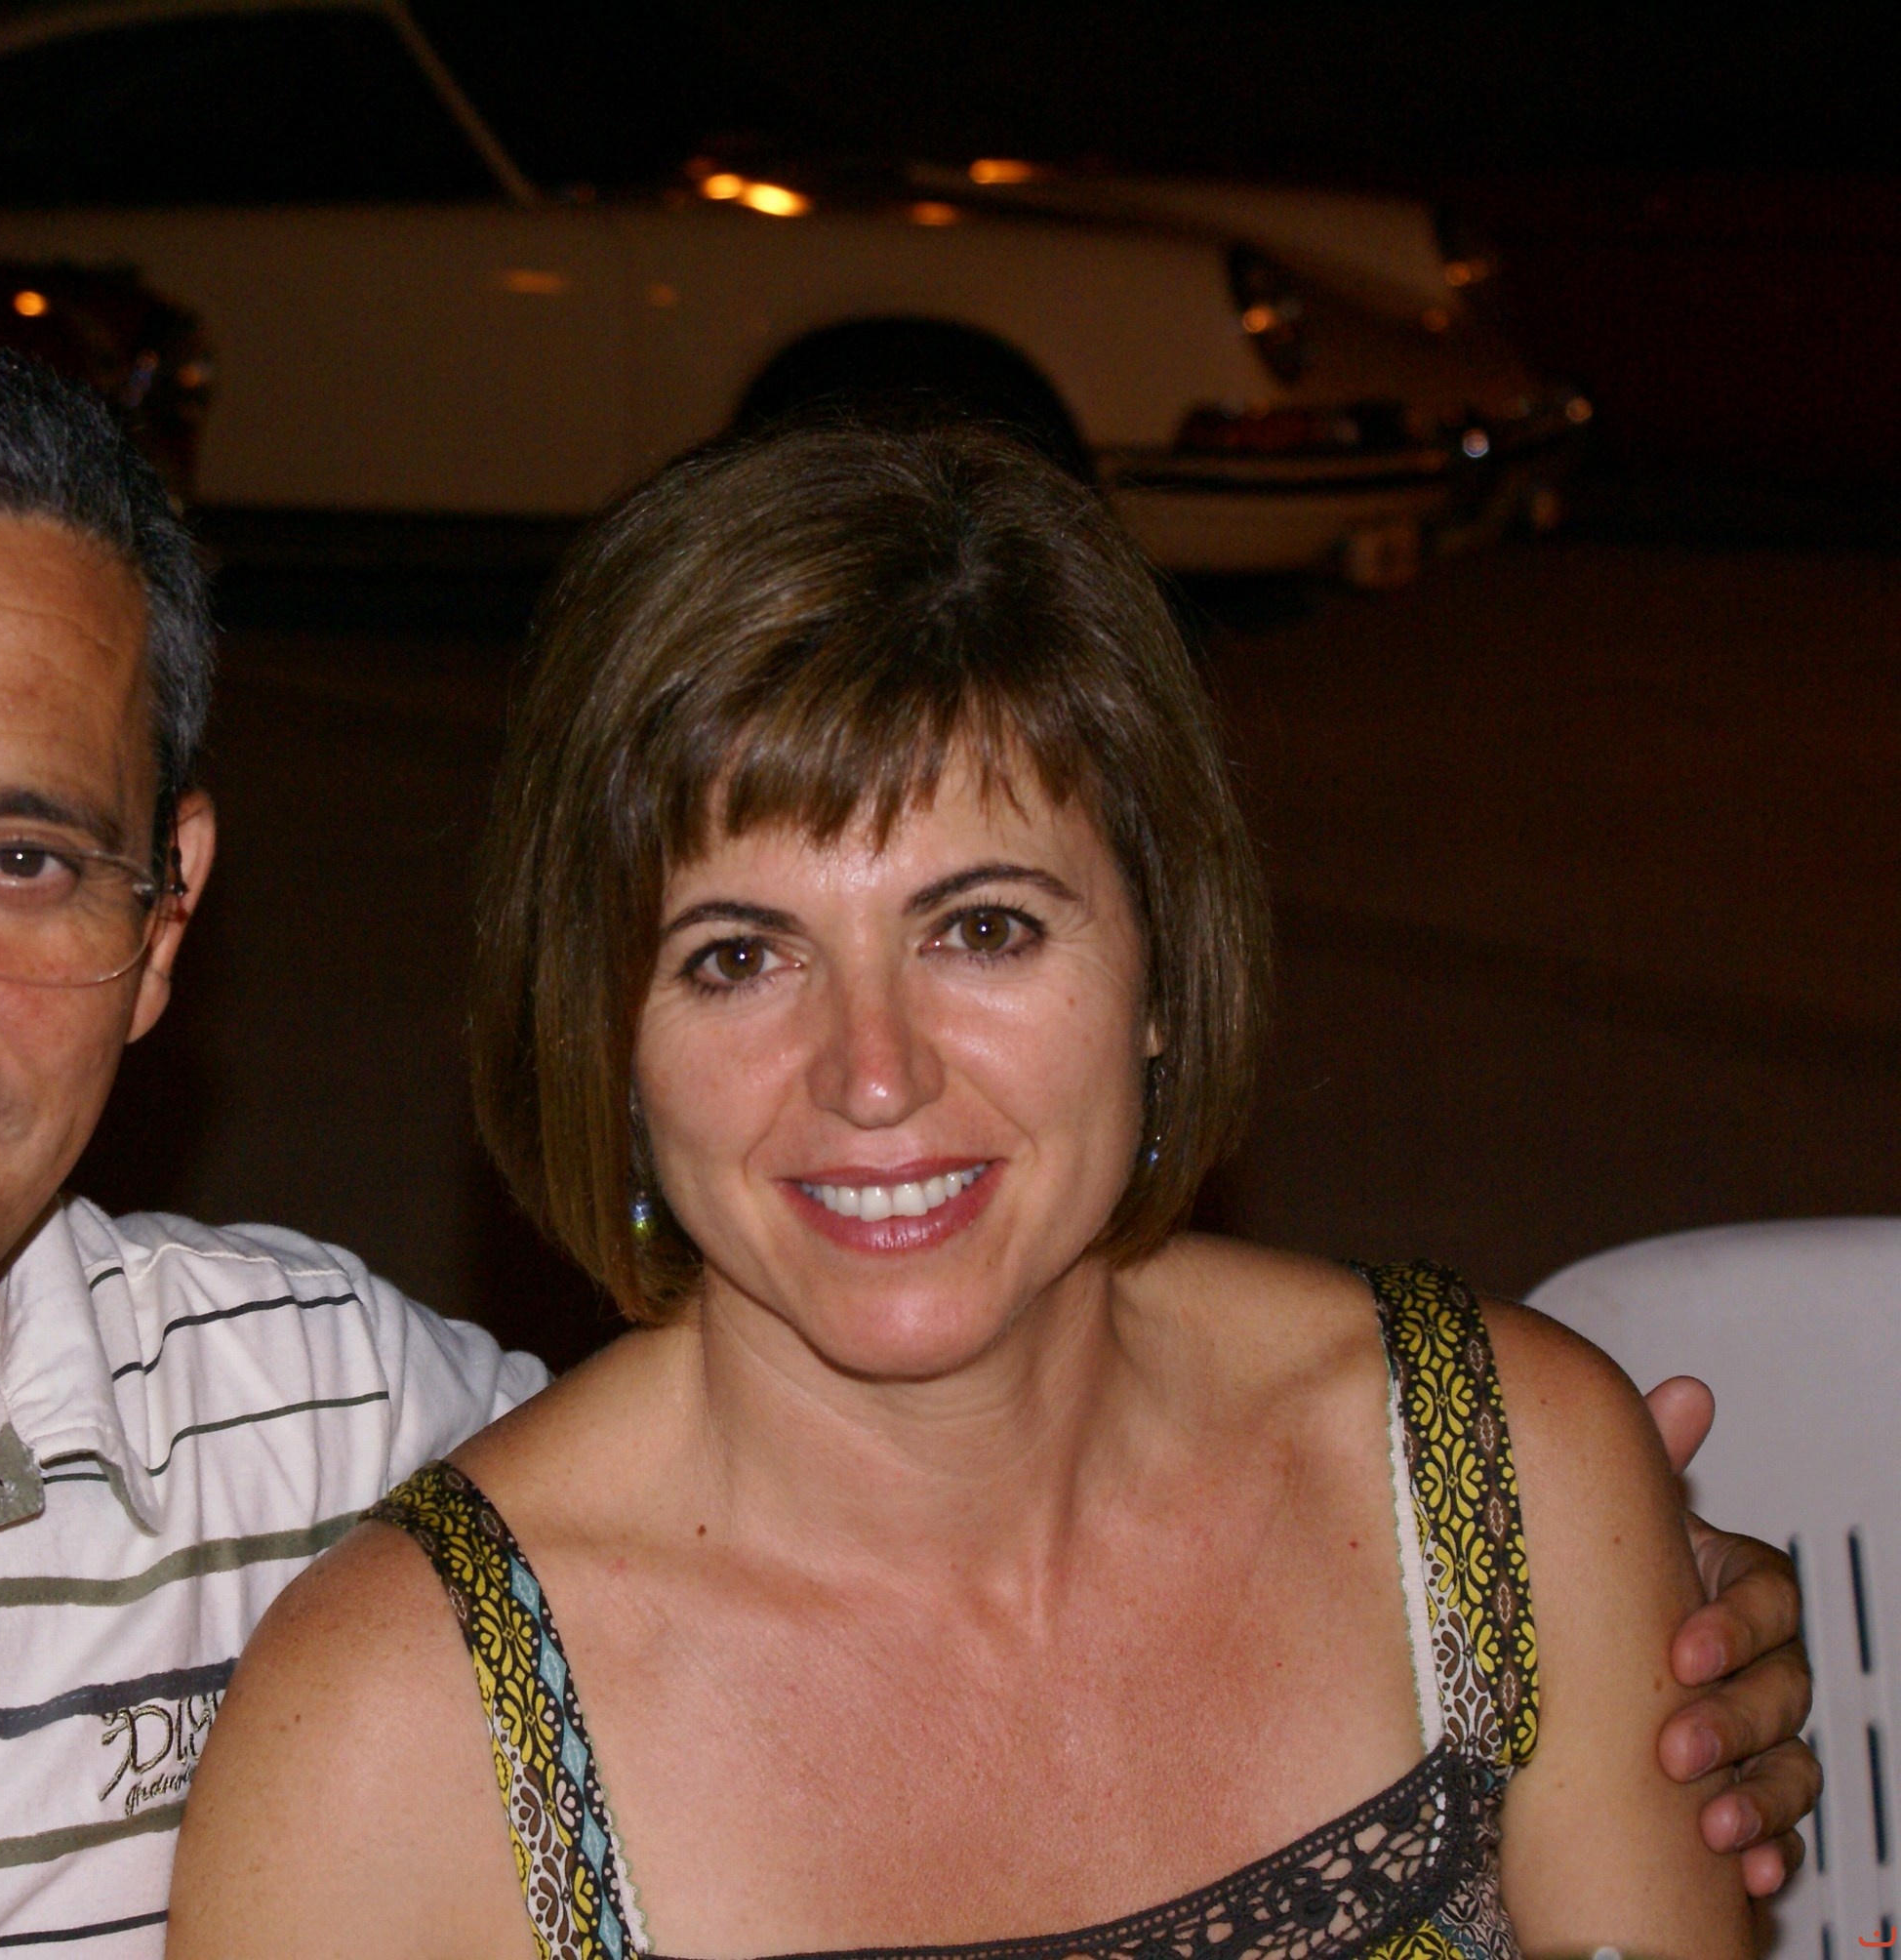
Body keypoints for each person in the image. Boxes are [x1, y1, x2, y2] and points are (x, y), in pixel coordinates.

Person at [0, 335, 1807, 1958]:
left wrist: (1617, 1591)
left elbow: (838, 1474)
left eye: (25, 853)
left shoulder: (309, 1424)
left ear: (168, 916)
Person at [170, 420, 1800, 1959]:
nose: (873, 1074)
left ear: (1159, 968)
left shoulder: (1498, 1484)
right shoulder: (402, 1730)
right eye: (738, 958)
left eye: (984, 929)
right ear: (608, 1043)